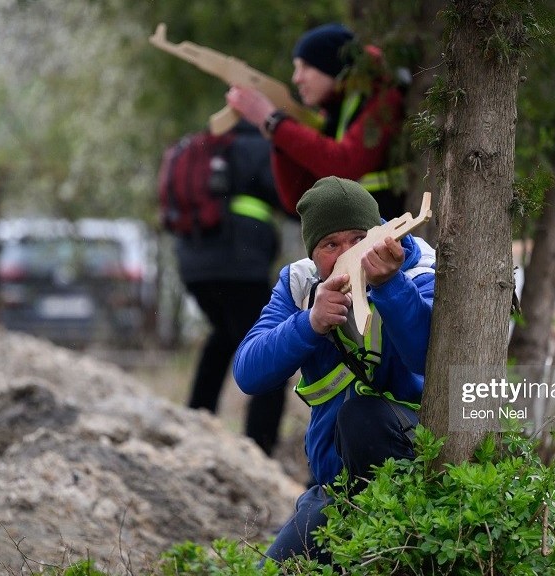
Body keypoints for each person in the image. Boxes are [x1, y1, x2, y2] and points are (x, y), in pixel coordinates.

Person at [233, 176, 436, 563]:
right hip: (336, 488)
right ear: (313, 255)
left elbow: (425, 357)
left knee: (361, 415)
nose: (350, 253)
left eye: (359, 238)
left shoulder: (418, 268)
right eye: (331, 245)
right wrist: (309, 322)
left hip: (413, 472)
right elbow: (248, 372)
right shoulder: (299, 283)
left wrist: (390, 286)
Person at [175, 120, 289, 456]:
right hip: (240, 267)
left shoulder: (207, 147)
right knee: (271, 353)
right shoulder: (260, 148)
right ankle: (259, 450)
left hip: (193, 267)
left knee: (224, 334)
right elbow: (290, 197)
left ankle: (195, 423)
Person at [224, 23, 407, 219]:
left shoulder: (384, 99)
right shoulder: (333, 111)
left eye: (306, 66)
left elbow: (345, 164)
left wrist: (275, 123)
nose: (297, 78)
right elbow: (298, 197)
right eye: (296, 68)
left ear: (333, 66)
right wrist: (279, 136)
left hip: (389, 230)